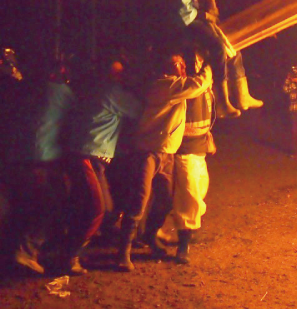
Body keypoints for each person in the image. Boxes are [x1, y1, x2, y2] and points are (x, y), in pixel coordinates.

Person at [148, 0, 261, 119]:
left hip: (196, 17)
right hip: (185, 24)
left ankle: (241, 94)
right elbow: (183, 7)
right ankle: (223, 99)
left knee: (229, 43)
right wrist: (204, 15)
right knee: (217, 46)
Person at [117, 54, 212, 272]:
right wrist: (211, 62)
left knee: (166, 200)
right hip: (149, 152)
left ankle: (149, 236)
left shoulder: (172, 86)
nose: (183, 66)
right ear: (168, 68)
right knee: (139, 202)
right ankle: (123, 252)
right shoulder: (165, 86)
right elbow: (200, 83)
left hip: (166, 153)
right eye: (179, 64)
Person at [62, 58, 142, 274]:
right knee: (96, 209)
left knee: (102, 208)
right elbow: (137, 110)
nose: (121, 77)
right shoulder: (111, 92)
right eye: (118, 73)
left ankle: (70, 249)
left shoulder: (93, 89)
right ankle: (69, 257)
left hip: (89, 155)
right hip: (87, 154)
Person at [1, 58, 75, 275]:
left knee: (20, 206)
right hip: (41, 157)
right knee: (47, 205)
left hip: (14, 156)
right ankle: (26, 251)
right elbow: (76, 119)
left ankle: (14, 253)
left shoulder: (22, 90)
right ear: (58, 71)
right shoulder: (62, 92)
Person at [171, 54, 216, 264]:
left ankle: (181, 231)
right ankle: (183, 244)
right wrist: (212, 61)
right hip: (183, 148)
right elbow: (200, 83)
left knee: (200, 188)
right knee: (190, 194)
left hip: (199, 147)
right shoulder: (179, 85)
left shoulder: (203, 83)